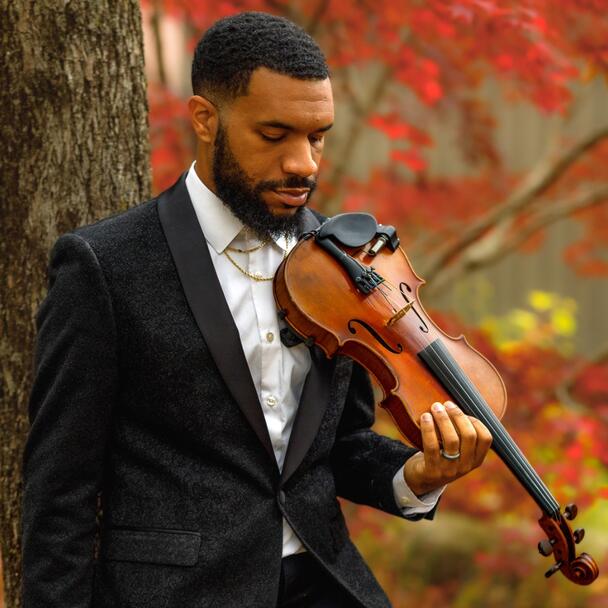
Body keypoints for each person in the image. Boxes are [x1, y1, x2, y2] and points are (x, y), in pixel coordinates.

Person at [22, 11, 492, 608]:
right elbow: (59, 491)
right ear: (205, 119)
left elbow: (340, 445)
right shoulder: (104, 265)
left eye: (317, 137)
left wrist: (415, 477)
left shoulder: (344, 264)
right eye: (274, 136)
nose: (305, 164)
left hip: (325, 583)